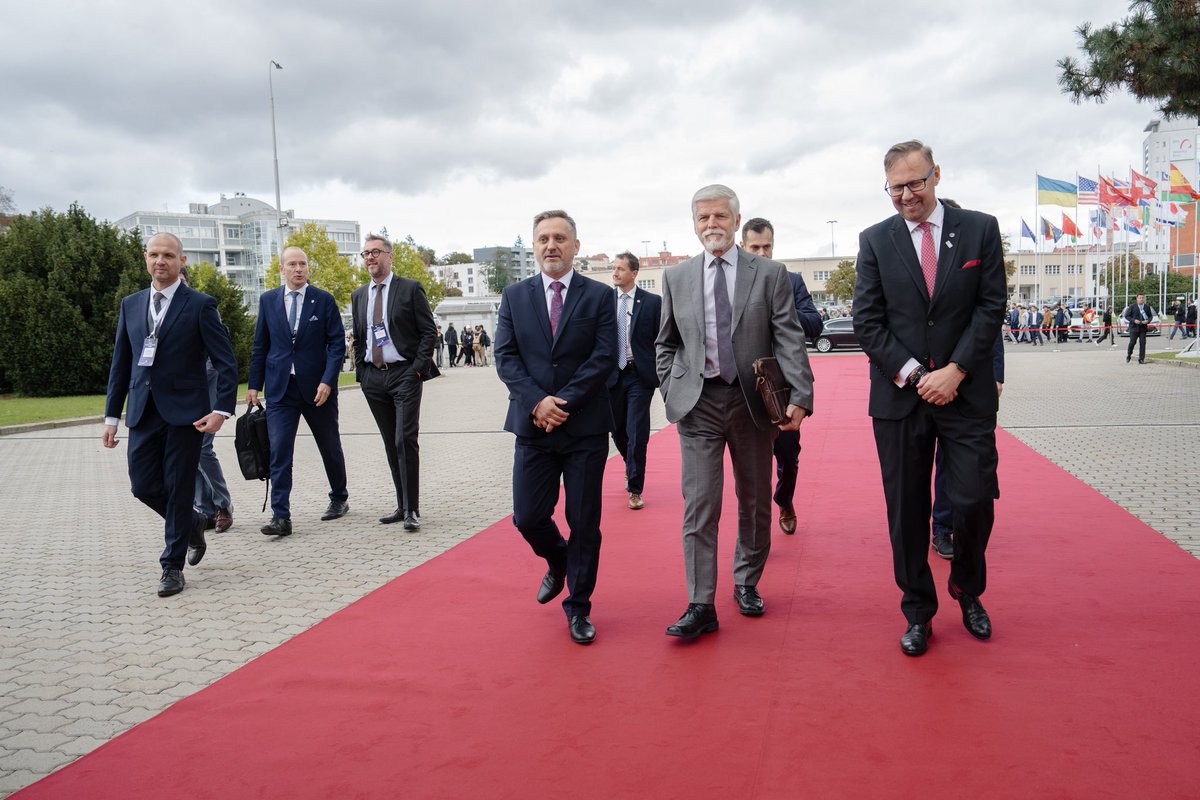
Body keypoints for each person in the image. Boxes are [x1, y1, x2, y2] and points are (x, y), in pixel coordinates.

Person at [853, 140, 1005, 657]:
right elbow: (867, 322)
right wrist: (920, 374)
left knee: (974, 500)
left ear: (936, 175)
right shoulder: (874, 241)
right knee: (907, 511)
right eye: (896, 186)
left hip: (965, 394)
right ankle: (918, 610)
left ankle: (967, 586)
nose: (907, 195)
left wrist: (956, 371)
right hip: (901, 398)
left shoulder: (980, 229)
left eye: (915, 182)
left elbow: (991, 307)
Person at [656, 185, 814, 639]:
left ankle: (746, 581)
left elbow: (788, 336)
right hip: (698, 404)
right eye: (703, 218)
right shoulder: (678, 277)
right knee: (700, 505)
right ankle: (700, 602)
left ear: (736, 219)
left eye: (720, 216)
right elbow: (665, 342)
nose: (712, 225)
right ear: (694, 224)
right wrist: (671, 386)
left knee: (753, 501)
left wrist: (799, 395)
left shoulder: (768, 273)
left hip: (752, 403)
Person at [494, 210, 616, 645]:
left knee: (584, 520)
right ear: (534, 246)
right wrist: (537, 402)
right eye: (543, 238)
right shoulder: (514, 296)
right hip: (532, 427)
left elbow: (604, 357)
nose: (551, 245)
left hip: (583, 427)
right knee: (528, 517)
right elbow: (506, 358)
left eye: (560, 238)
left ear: (575, 247)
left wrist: (560, 402)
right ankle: (559, 559)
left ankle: (578, 606)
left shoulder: (600, 296)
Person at [102, 233, 238, 597]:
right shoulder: (131, 305)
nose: (160, 261)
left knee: (179, 489)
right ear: (145, 259)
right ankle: (192, 522)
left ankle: (171, 567)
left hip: (187, 415)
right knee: (142, 485)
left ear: (182, 261)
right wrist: (111, 418)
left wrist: (221, 410)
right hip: (142, 412)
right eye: (153, 255)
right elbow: (122, 363)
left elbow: (226, 363)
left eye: (167, 255)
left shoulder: (200, 304)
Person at [246, 246, 350, 537]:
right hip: (281, 390)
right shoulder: (268, 301)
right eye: (292, 264)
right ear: (282, 269)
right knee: (279, 450)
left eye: (302, 264)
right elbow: (260, 346)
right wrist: (255, 385)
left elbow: (336, 345)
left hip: (318, 390)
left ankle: (339, 496)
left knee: (329, 445)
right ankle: (281, 516)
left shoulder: (323, 300)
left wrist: (328, 381)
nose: (298, 269)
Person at [351, 234, 441, 530]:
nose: (370, 258)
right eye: (365, 254)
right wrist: (362, 373)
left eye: (375, 252)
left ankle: (412, 510)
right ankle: (400, 504)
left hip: (405, 373)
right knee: (391, 442)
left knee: (405, 440)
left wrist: (416, 369)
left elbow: (429, 332)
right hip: (374, 377)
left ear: (389, 256)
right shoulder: (360, 295)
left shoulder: (410, 289)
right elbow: (360, 335)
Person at [738, 218, 821, 534]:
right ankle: (755, 528)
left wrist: (779, 308)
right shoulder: (730, 284)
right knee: (749, 464)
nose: (762, 253)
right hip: (744, 387)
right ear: (743, 247)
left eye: (767, 247)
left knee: (787, 454)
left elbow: (815, 325)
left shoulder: (792, 280)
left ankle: (784, 500)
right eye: (755, 247)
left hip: (783, 386)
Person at [179, 267, 234, 534]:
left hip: (207, 384)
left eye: (180, 280)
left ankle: (223, 505)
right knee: (190, 451)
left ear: (186, 281)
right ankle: (205, 509)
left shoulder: (202, 306)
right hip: (178, 394)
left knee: (202, 448)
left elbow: (220, 354)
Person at [606, 252, 662, 511]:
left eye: (620, 268)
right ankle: (631, 465)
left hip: (639, 376)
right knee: (617, 429)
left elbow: (662, 339)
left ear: (634, 273)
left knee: (636, 431)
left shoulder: (652, 302)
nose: (615, 272)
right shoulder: (604, 301)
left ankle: (635, 488)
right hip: (612, 377)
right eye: (613, 268)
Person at [1123, 293, 1155, 364]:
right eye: (1140, 298)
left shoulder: (1146, 307)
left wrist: (1148, 321)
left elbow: (1150, 316)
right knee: (1132, 342)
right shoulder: (1132, 306)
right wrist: (1134, 320)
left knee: (1143, 343)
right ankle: (1129, 354)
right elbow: (1127, 316)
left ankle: (1141, 359)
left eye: (1142, 298)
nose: (1141, 299)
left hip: (1143, 328)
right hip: (1134, 328)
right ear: (1137, 299)